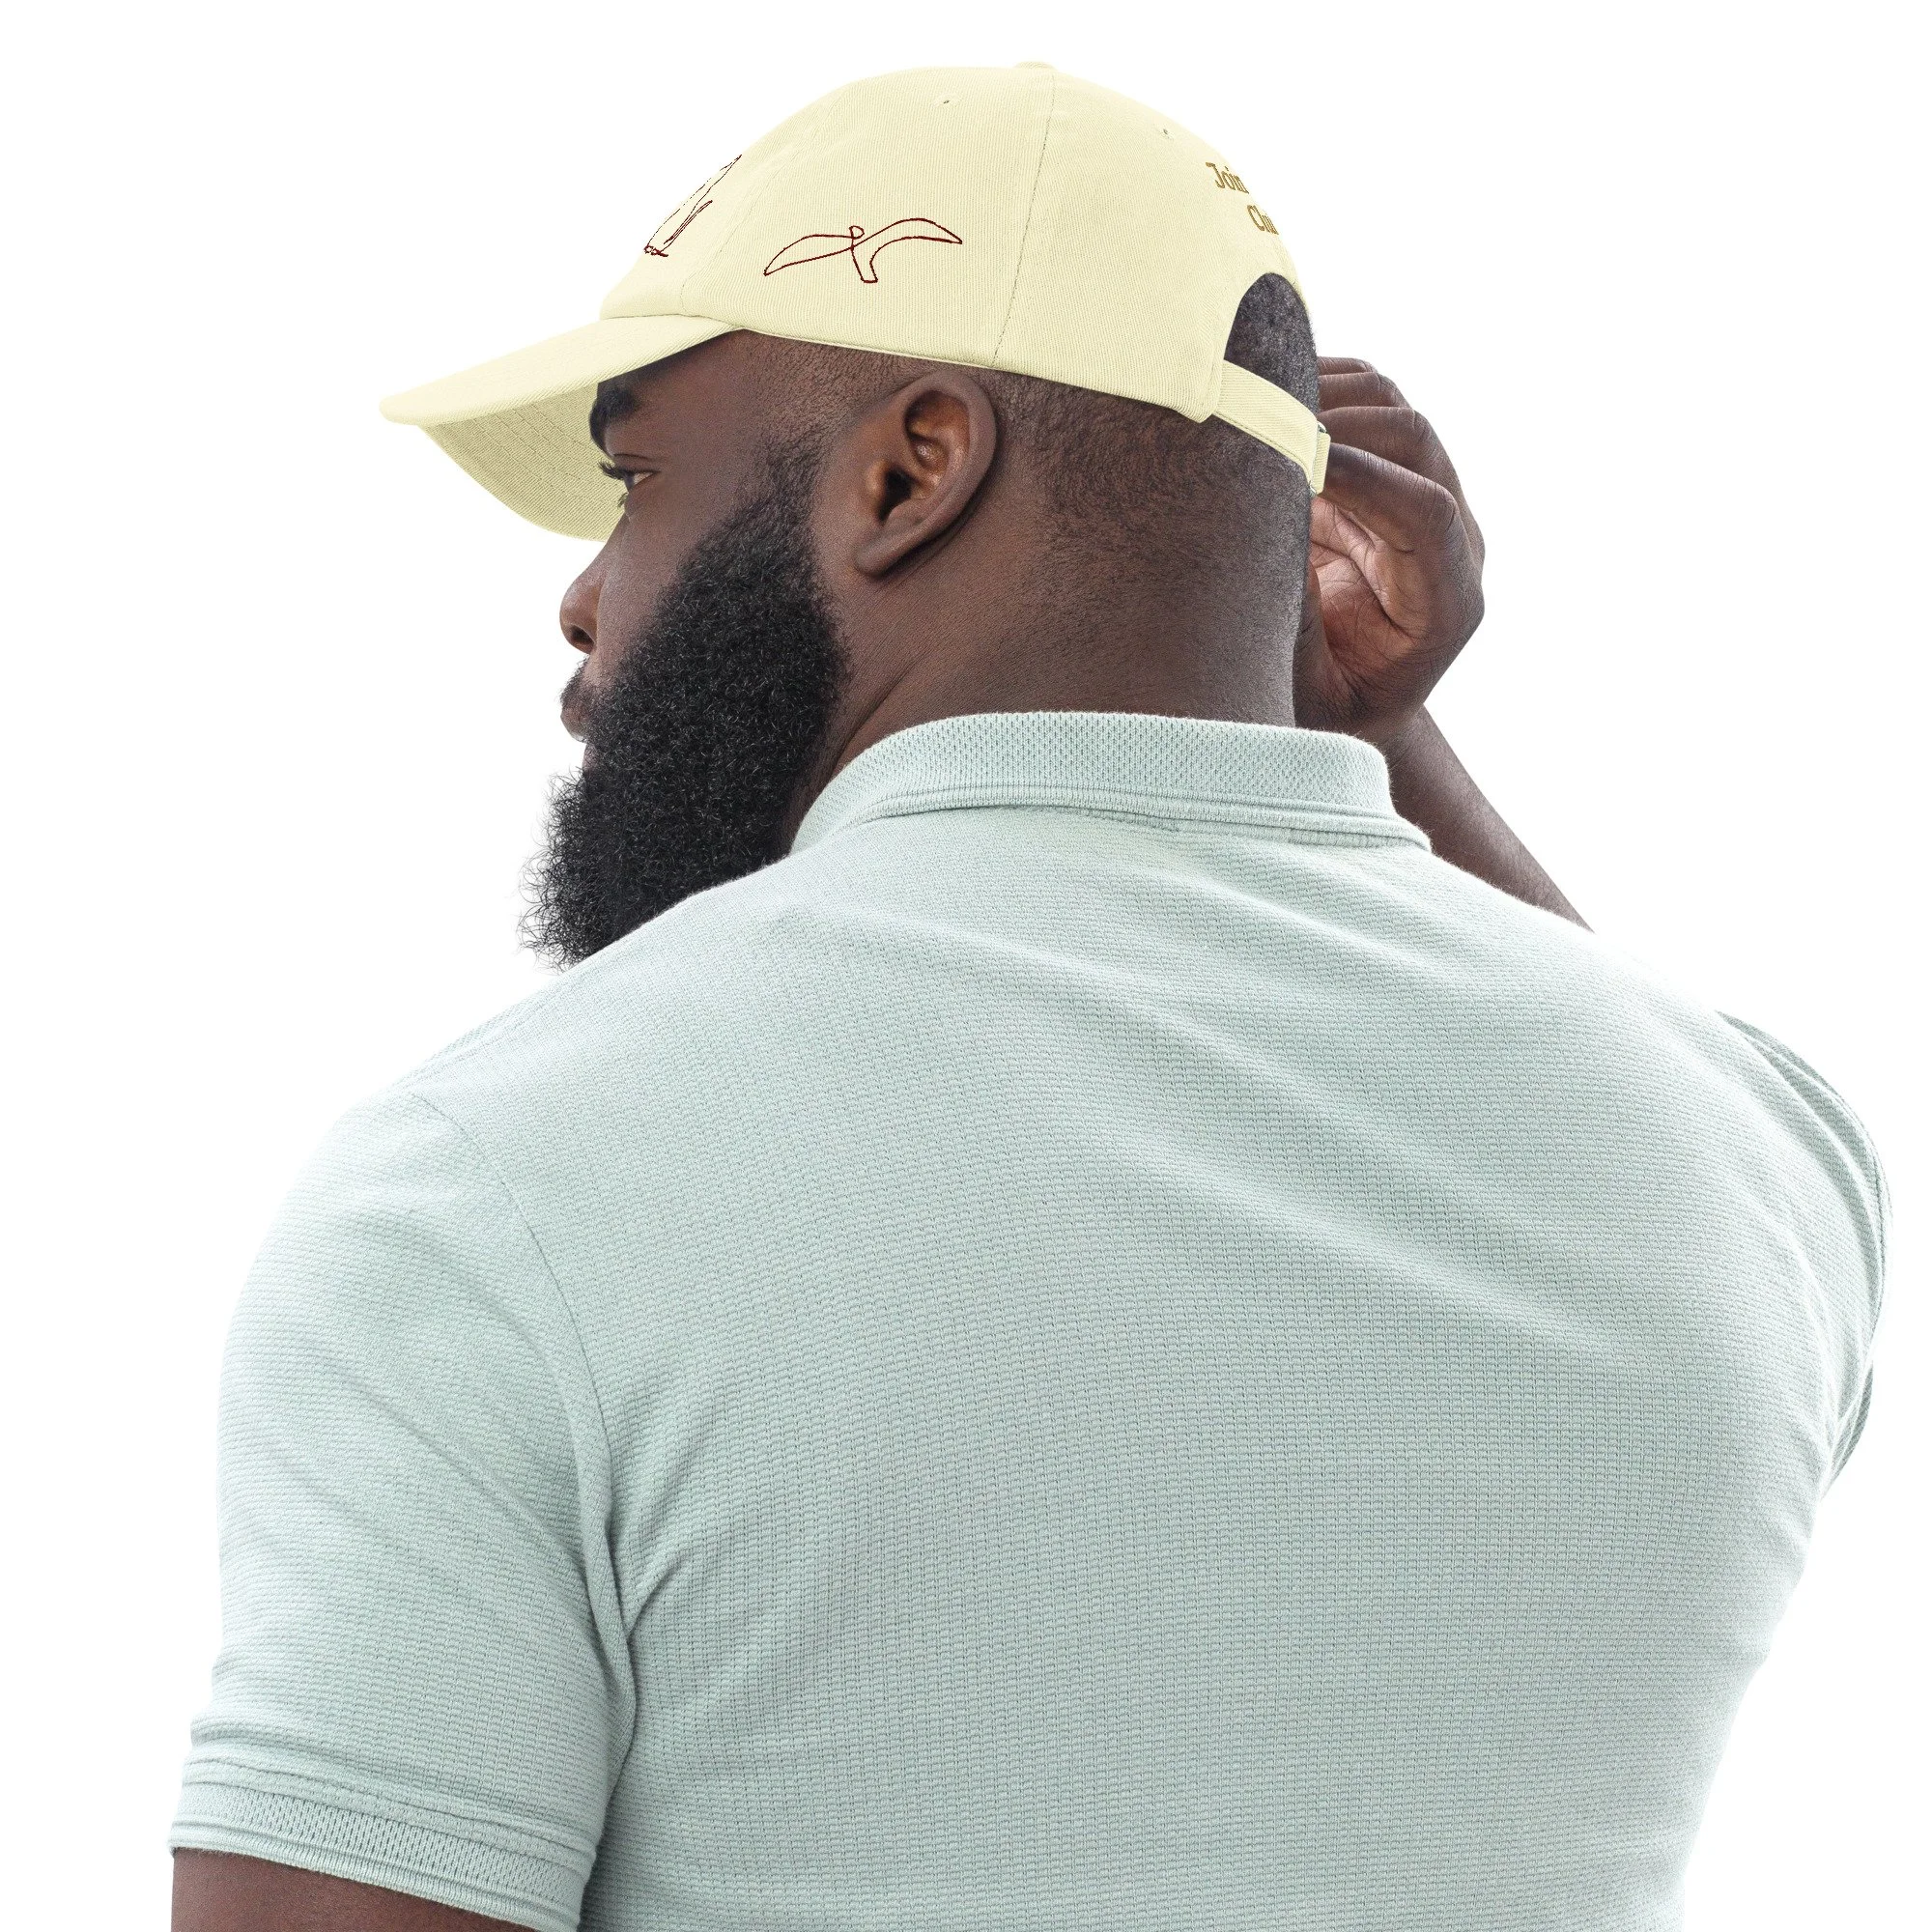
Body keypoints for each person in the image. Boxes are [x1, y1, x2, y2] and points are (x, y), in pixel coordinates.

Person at [169, 64, 1889, 1932]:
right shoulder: (1755, 1168)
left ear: (911, 471)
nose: (584, 601)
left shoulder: (488, 1194)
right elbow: (1633, 1114)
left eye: (635, 479)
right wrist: (1365, 735)